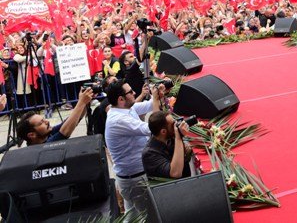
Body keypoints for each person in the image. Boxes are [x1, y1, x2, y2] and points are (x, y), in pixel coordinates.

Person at [104, 80, 165, 218]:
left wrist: (160, 94)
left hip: (131, 178)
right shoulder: (118, 120)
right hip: (135, 181)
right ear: (121, 99)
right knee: (151, 216)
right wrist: (155, 98)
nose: (135, 93)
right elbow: (154, 128)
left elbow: (149, 105)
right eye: (131, 92)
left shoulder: (125, 108)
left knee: (132, 217)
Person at [16, 87, 94, 145]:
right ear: (31, 135)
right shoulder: (41, 148)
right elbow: (65, 131)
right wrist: (81, 102)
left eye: (44, 119)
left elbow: (73, 121)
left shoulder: (46, 134)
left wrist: (86, 100)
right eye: (41, 123)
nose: (47, 121)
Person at [142, 111, 192, 179]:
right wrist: (179, 137)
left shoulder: (169, 139)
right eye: (173, 124)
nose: (176, 126)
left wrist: (186, 152)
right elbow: (175, 173)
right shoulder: (149, 153)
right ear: (163, 132)